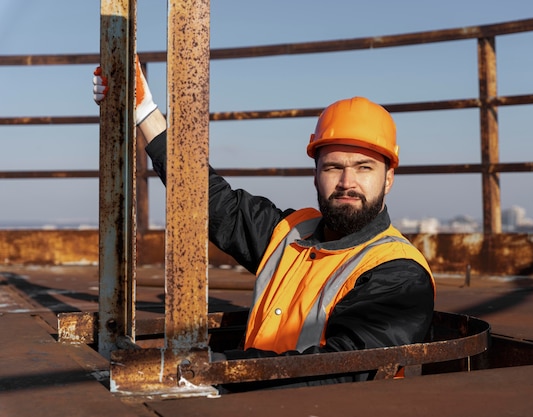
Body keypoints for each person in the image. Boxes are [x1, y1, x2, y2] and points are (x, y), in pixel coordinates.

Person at [93, 57, 435, 390]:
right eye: (333, 167)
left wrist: (213, 371)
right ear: (315, 175)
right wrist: (145, 113)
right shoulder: (289, 233)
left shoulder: (399, 272)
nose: (347, 182)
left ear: (388, 178)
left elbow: (343, 369)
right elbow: (213, 202)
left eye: (364, 167)